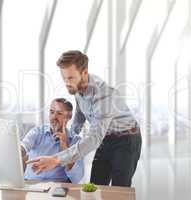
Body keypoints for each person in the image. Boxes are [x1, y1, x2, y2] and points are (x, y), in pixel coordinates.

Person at [27, 50, 142, 187]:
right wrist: (69, 136)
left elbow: (94, 139)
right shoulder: (77, 86)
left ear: (84, 73)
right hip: (106, 137)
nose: (67, 83)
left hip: (126, 140)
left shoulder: (103, 96)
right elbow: (80, 114)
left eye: (70, 78)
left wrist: (56, 159)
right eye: (64, 78)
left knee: (119, 189)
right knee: (95, 186)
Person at [21, 98, 84, 183]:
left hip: (57, 187)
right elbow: (23, 147)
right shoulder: (37, 132)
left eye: (59, 113)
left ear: (69, 117)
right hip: (31, 183)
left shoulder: (75, 141)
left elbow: (77, 177)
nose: (54, 117)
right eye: (52, 112)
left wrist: (66, 148)